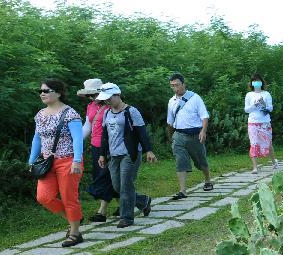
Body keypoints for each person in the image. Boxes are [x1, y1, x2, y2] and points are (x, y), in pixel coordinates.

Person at [28, 78, 85, 247]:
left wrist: (76, 160)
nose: (42, 94)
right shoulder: (40, 114)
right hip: (47, 163)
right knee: (43, 197)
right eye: (41, 91)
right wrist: (32, 161)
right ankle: (74, 217)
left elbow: (78, 139)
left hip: (68, 160)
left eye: (46, 91)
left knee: (69, 197)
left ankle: (75, 233)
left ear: (59, 93)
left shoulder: (70, 113)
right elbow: (37, 139)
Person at [96, 83, 156, 228]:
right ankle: (143, 201)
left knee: (126, 185)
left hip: (130, 153)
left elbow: (141, 132)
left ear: (117, 95)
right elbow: (104, 135)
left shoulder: (131, 111)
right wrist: (102, 154)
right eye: (105, 99)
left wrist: (149, 150)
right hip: (113, 154)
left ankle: (127, 218)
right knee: (117, 186)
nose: (107, 101)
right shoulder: (106, 113)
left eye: (109, 98)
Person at [77, 77, 118, 221]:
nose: (91, 97)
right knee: (106, 177)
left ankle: (102, 212)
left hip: (109, 146)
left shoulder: (110, 106)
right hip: (95, 146)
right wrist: (76, 142)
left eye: (93, 94)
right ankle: (136, 202)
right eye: (88, 95)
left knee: (104, 177)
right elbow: (87, 126)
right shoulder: (90, 106)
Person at [166, 73, 212, 200]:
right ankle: (182, 190)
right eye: (172, 86)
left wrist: (203, 131)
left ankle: (208, 180)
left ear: (183, 84)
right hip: (179, 135)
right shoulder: (171, 101)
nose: (175, 88)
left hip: (195, 135)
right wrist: (170, 136)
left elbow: (204, 116)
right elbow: (170, 121)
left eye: (177, 85)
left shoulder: (195, 98)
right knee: (180, 161)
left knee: (201, 160)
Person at [244, 73, 278, 173]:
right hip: (253, 122)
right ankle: (255, 167)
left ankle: (274, 162)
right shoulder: (249, 95)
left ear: (261, 82)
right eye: (254, 81)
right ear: (251, 83)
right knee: (253, 143)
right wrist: (254, 105)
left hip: (265, 122)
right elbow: (246, 109)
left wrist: (263, 105)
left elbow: (270, 108)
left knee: (268, 143)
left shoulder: (266, 94)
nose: (256, 83)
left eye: (258, 81)